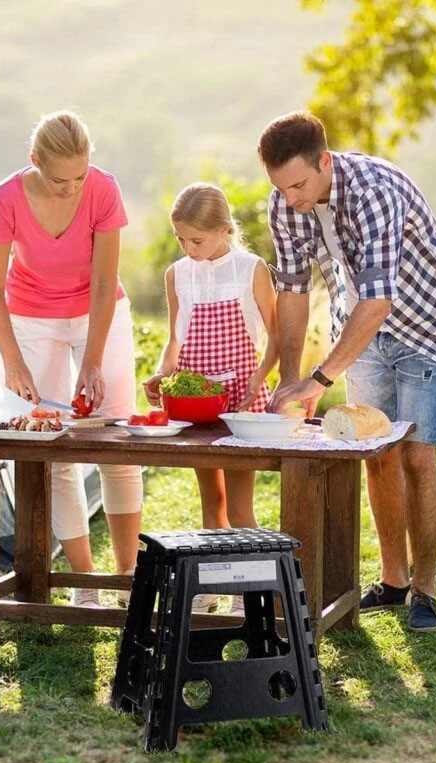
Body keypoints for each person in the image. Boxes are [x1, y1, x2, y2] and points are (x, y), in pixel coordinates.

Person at [258, 111, 436, 632]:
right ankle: (393, 581)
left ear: (324, 162)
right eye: (281, 188)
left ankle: (425, 590)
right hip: (357, 333)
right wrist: (290, 379)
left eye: (299, 185)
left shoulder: (373, 191)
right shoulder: (286, 203)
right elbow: (291, 289)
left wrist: (321, 379)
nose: (290, 198)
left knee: (418, 457)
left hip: (423, 326)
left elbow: (378, 299)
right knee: (376, 454)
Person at [0, 110, 143, 607]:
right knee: (54, 444)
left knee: (118, 438)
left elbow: (101, 282)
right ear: (35, 162)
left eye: (80, 175)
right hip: (32, 318)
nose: (71, 188)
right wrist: (13, 362)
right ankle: (84, 584)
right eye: (59, 179)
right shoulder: (7, 197)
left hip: (100, 312)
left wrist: (91, 360)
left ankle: (129, 575)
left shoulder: (103, 189)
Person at [142, 183, 278, 613]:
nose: (188, 248)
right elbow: (175, 340)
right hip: (197, 404)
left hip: (240, 402)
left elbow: (276, 338)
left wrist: (260, 376)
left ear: (224, 229)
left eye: (196, 239)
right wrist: (164, 376)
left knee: (240, 508)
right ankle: (215, 587)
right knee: (211, 504)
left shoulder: (250, 268)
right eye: (181, 239)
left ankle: (251, 593)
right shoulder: (177, 274)